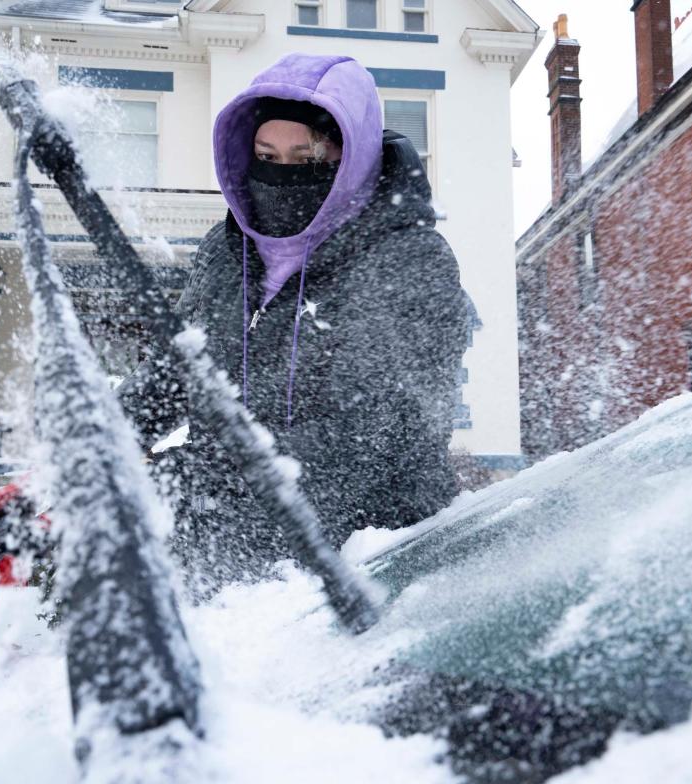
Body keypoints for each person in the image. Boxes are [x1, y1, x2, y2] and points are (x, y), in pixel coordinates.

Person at [122, 53, 471, 587]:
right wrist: (104, 432)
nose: (280, 175)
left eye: (303, 157)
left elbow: (380, 438)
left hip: (367, 569)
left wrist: (188, 477)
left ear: (349, 156)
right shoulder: (227, 250)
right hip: (226, 565)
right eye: (265, 155)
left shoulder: (409, 260)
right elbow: (182, 368)